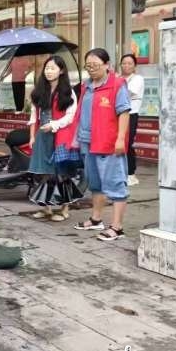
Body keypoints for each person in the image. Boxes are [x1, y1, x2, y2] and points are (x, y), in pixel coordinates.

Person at [73, 48, 131, 241]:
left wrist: (121, 138)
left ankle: (117, 227)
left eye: (96, 65)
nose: (91, 69)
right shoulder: (86, 86)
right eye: (88, 65)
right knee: (95, 183)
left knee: (115, 183)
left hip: (108, 142)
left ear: (107, 65)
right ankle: (96, 219)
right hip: (87, 142)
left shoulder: (117, 84)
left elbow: (123, 112)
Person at [27, 56, 82, 221]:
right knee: (43, 172)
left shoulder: (67, 91)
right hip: (42, 136)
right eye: (47, 68)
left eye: (52, 68)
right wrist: (32, 136)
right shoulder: (38, 91)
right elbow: (33, 116)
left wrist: (54, 125)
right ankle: (47, 208)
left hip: (61, 136)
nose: (49, 71)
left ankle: (65, 209)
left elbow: (71, 116)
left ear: (61, 70)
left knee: (61, 173)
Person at [120, 53, 144, 186]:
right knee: (118, 143)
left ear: (135, 65)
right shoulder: (118, 78)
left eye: (129, 63)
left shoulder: (138, 78)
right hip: (117, 115)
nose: (126, 65)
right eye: (124, 63)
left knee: (127, 143)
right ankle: (121, 172)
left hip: (131, 115)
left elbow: (129, 92)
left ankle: (131, 174)